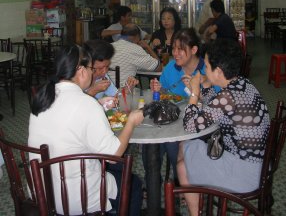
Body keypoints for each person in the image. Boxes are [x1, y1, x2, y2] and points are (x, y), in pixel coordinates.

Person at [28, 44, 144, 215]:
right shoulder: (85, 103)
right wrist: (131, 122)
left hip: (42, 192)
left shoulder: (43, 99)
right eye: (91, 68)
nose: (92, 73)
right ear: (81, 71)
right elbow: (113, 155)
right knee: (134, 185)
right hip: (77, 198)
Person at [177, 39, 270, 216]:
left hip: (243, 174)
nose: (204, 69)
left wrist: (195, 92)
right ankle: (192, 189)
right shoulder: (243, 83)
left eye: (206, 65)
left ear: (218, 71)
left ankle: (193, 202)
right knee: (186, 146)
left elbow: (190, 125)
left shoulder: (228, 96)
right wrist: (205, 85)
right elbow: (216, 107)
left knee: (182, 164)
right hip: (259, 165)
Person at [149, 28, 211, 182]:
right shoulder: (171, 67)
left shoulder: (207, 69)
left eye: (180, 49)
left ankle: (180, 183)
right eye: (174, 48)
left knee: (172, 144)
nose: (175, 53)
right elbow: (164, 90)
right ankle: (154, 184)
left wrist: (195, 91)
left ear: (194, 49)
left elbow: (214, 103)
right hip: (173, 120)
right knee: (151, 146)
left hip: (199, 124)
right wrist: (158, 88)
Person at [109, 23, 162, 88]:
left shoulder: (109, 46)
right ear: (137, 36)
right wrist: (148, 47)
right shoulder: (135, 49)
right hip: (124, 92)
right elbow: (158, 67)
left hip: (105, 90)